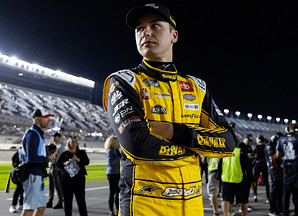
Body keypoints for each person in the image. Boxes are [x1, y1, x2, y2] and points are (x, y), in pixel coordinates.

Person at [102, 3, 237, 216]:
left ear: (174, 35)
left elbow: (228, 142)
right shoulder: (124, 82)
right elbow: (137, 144)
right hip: (145, 206)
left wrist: (176, 132)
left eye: (155, 25)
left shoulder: (196, 87)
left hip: (192, 207)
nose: (145, 32)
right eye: (139, 29)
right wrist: (195, 148)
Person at [21, 109, 56, 216]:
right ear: (37, 119)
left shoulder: (38, 133)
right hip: (33, 175)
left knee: (41, 207)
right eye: (46, 117)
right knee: (30, 209)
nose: (48, 120)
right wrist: (46, 160)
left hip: (37, 174)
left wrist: (46, 157)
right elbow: (31, 158)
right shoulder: (33, 134)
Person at [273, 123, 298, 216]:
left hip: (286, 168)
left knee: (286, 193)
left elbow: (278, 155)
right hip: (297, 167)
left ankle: (285, 213)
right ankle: (297, 214)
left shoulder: (281, 139)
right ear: (297, 129)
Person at [56, 136, 90, 216]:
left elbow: (87, 162)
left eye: (75, 141)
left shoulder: (81, 153)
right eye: (72, 141)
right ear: (69, 143)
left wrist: (78, 159)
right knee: (67, 200)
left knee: (81, 200)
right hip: (66, 180)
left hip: (79, 180)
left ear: (77, 143)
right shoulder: (64, 154)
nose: (73, 143)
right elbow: (58, 163)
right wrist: (65, 163)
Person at [218, 145, 254, 216]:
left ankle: (225, 214)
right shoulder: (241, 152)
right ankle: (244, 214)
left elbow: (220, 166)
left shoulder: (224, 153)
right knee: (243, 201)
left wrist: (219, 178)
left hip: (226, 180)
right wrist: (251, 179)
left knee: (225, 200)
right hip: (240, 180)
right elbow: (248, 166)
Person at [264, 132, 283, 216]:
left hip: (279, 168)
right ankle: (272, 209)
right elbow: (272, 156)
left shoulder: (278, 145)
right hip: (273, 169)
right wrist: (281, 153)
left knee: (280, 189)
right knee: (275, 189)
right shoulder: (269, 145)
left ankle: (279, 208)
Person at [47, 132, 64, 209]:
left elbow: (57, 157)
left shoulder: (61, 146)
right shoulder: (53, 145)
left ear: (59, 137)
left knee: (57, 186)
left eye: (55, 136)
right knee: (51, 185)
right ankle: (50, 201)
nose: (53, 138)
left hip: (56, 167)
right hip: (51, 166)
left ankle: (60, 201)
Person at [105, 135, 121, 216]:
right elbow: (110, 163)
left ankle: (118, 209)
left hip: (118, 173)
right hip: (112, 173)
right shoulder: (110, 151)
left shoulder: (117, 150)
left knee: (118, 193)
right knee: (112, 192)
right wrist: (119, 158)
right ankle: (111, 211)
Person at [252, 135, 270, 203]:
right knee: (266, 181)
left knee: (255, 181)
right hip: (264, 164)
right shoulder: (265, 146)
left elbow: (255, 156)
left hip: (258, 164)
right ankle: (268, 197)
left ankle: (255, 195)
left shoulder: (256, 147)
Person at [9, 148, 24, 213]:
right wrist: (16, 167)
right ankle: (13, 205)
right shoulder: (20, 151)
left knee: (23, 189)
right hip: (20, 172)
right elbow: (14, 160)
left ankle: (21, 204)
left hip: (26, 172)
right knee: (18, 188)